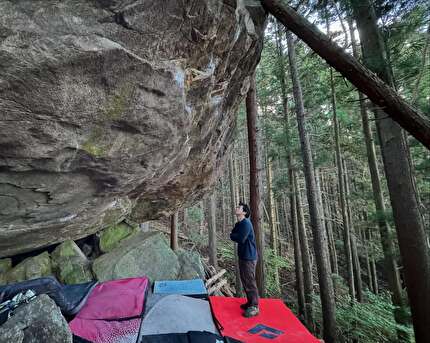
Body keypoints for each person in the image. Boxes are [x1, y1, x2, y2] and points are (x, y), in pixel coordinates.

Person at [230, 201, 259, 318]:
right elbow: (232, 234)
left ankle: (255, 306)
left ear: (244, 212)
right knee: (245, 280)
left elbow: (240, 238)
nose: (236, 208)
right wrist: (234, 235)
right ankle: (250, 302)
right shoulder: (239, 224)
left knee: (250, 281)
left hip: (249, 257)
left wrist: (234, 235)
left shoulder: (246, 223)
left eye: (239, 207)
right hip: (243, 256)